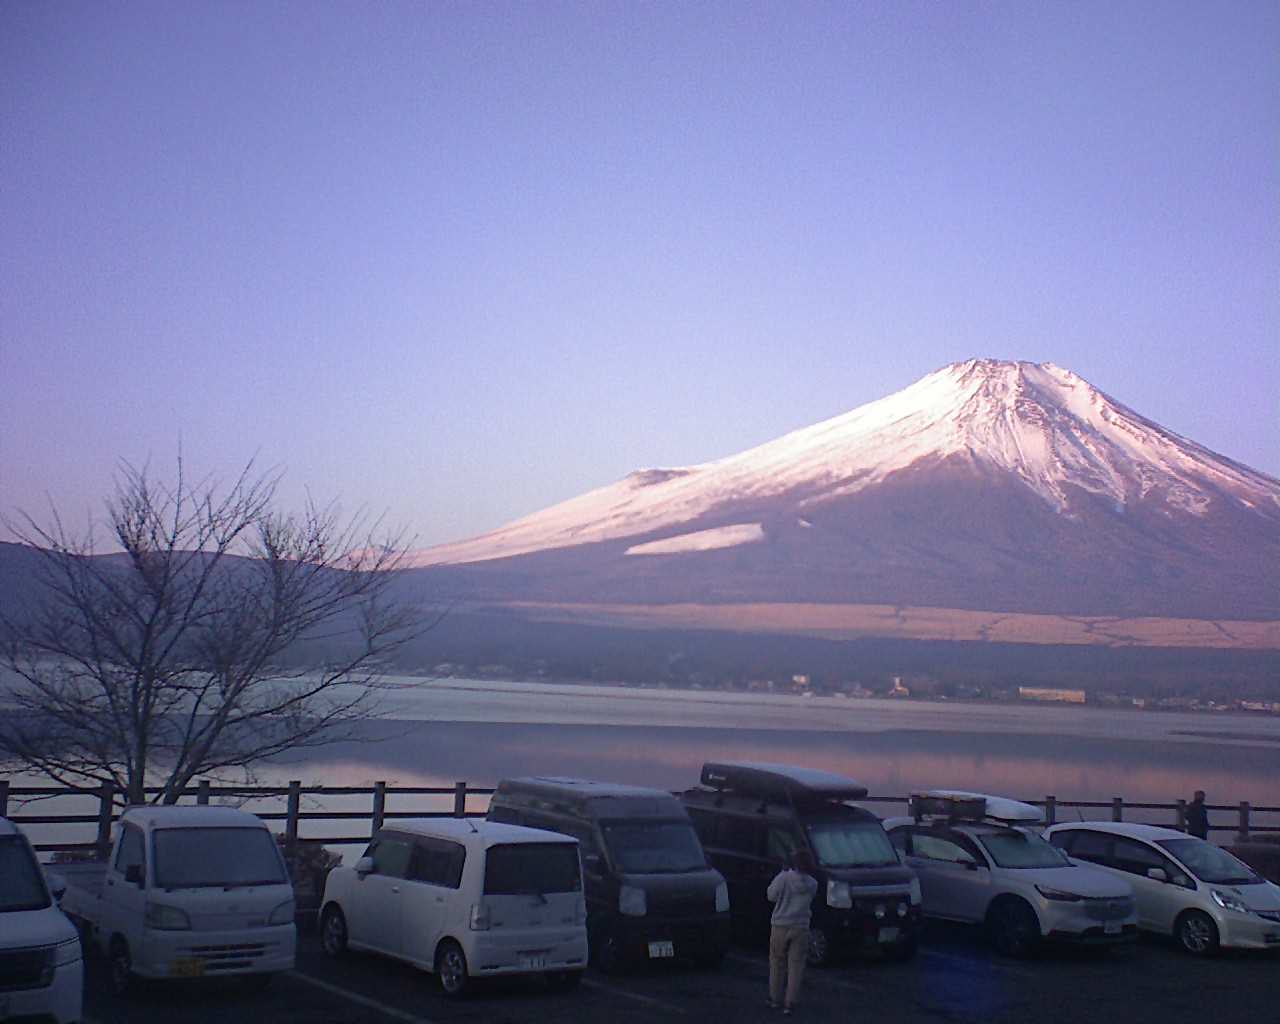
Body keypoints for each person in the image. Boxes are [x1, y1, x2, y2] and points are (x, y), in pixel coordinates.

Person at [766, 848, 819, 1015]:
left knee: (777, 962)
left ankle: (775, 998)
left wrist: (782, 873)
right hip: (801, 926)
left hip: (780, 924)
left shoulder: (783, 878)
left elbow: (771, 896)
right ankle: (790, 1002)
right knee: (796, 965)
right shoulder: (813, 883)